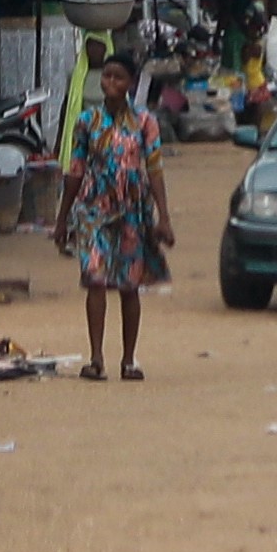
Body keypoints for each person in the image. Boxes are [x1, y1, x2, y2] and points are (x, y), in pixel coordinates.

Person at [59, 57, 172, 383]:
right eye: (106, 76)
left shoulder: (145, 122)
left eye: (118, 77)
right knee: (95, 279)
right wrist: (62, 219)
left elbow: (154, 169)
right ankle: (95, 359)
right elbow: (75, 171)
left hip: (132, 212)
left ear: (130, 83)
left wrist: (163, 216)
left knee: (128, 284)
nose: (110, 82)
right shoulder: (86, 122)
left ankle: (128, 360)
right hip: (93, 211)